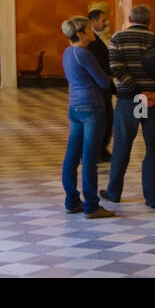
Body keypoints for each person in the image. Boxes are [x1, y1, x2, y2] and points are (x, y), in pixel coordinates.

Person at [103, 4, 155, 209]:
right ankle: (153, 199)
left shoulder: (118, 39)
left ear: (129, 18)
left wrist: (138, 93)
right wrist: (153, 92)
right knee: (153, 149)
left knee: (122, 147)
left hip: (130, 101)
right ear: (149, 21)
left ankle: (114, 192)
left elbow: (116, 69)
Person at [60, 16, 115, 219]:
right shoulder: (83, 53)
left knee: (71, 158)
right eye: (89, 29)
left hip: (74, 107)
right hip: (92, 107)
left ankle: (72, 201)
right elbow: (102, 82)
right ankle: (92, 206)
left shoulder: (67, 53)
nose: (93, 31)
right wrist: (111, 77)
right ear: (81, 33)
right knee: (90, 159)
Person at [87, 7, 113, 161]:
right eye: (103, 20)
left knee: (107, 120)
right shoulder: (90, 42)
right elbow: (99, 64)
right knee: (103, 120)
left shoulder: (98, 38)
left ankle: (101, 150)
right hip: (99, 87)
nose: (105, 23)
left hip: (103, 86)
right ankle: (97, 151)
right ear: (93, 21)